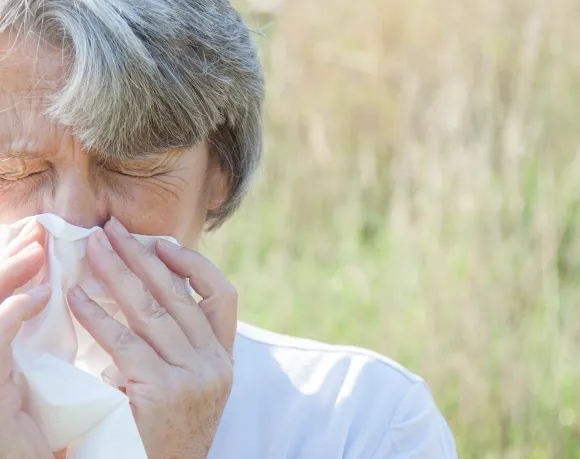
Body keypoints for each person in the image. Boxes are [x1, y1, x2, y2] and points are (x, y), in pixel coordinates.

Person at [0, 1, 457, 458]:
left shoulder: (359, 422)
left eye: (129, 166)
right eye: (18, 169)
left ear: (220, 172)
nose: (74, 221)